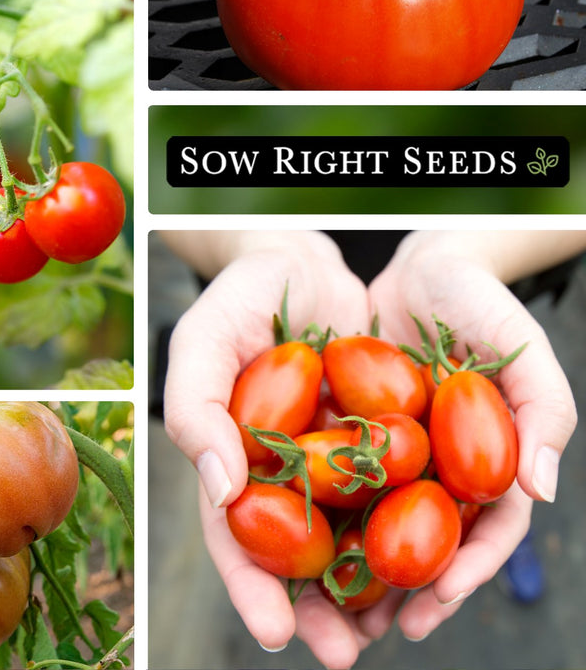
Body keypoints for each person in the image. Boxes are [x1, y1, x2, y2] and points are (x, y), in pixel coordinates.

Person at [161, 230, 582, 670]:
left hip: (487, 261)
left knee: (498, 487)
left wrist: (470, 247)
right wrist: (260, 245)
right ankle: (474, 507)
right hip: (315, 289)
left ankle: (485, 509)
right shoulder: (368, 432)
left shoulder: (380, 428)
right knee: (484, 489)